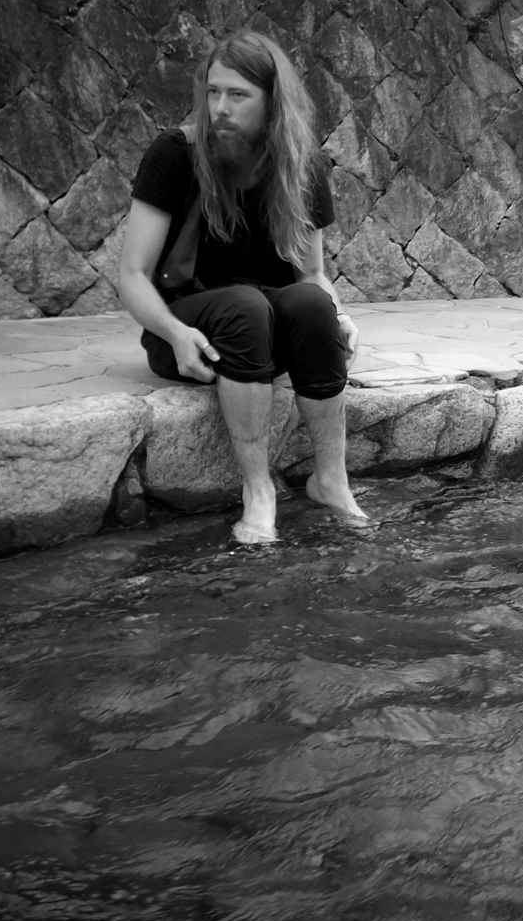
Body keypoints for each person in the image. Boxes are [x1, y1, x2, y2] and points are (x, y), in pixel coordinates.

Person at [117, 29, 368, 544]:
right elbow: (133, 276)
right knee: (245, 304)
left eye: (237, 95)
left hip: (263, 337)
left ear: (272, 101)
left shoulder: (302, 164)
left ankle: (331, 481)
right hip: (189, 332)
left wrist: (338, 316)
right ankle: (259, 491)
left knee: (311, 304)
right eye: (213, 92)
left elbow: (311, 273)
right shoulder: (175, 154)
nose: (220, 108)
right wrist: (174, 333)